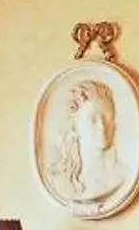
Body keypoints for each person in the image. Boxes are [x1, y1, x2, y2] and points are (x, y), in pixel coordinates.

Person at [46, 76, 128, 210]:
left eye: (108, 117)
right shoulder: (59, 179)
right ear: (76, 125)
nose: (102, 126)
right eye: (93, 119)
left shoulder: (121, 174)